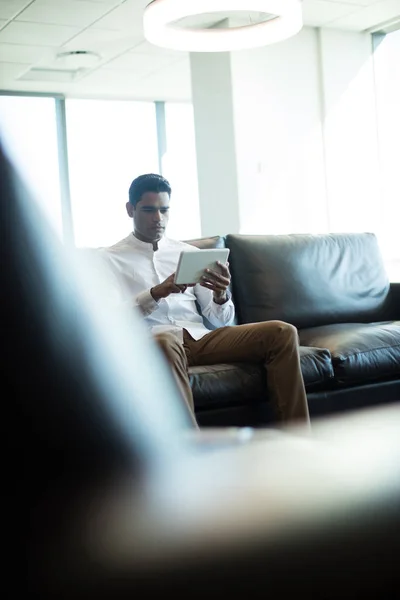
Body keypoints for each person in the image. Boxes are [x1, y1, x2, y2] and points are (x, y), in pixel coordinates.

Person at [99, 174, 310, 428]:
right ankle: (194, 452)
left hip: (200, 338)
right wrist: (157, 292)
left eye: (164, 210)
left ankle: (299, 439)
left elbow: (219, 320)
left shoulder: (188, 253)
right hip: (156, 342)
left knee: (282, 332)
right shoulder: (108, 259)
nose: (158, 219)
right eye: (149, 210)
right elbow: (111, 320)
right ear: (130, 209)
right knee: (164, 340)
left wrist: (221, 296)